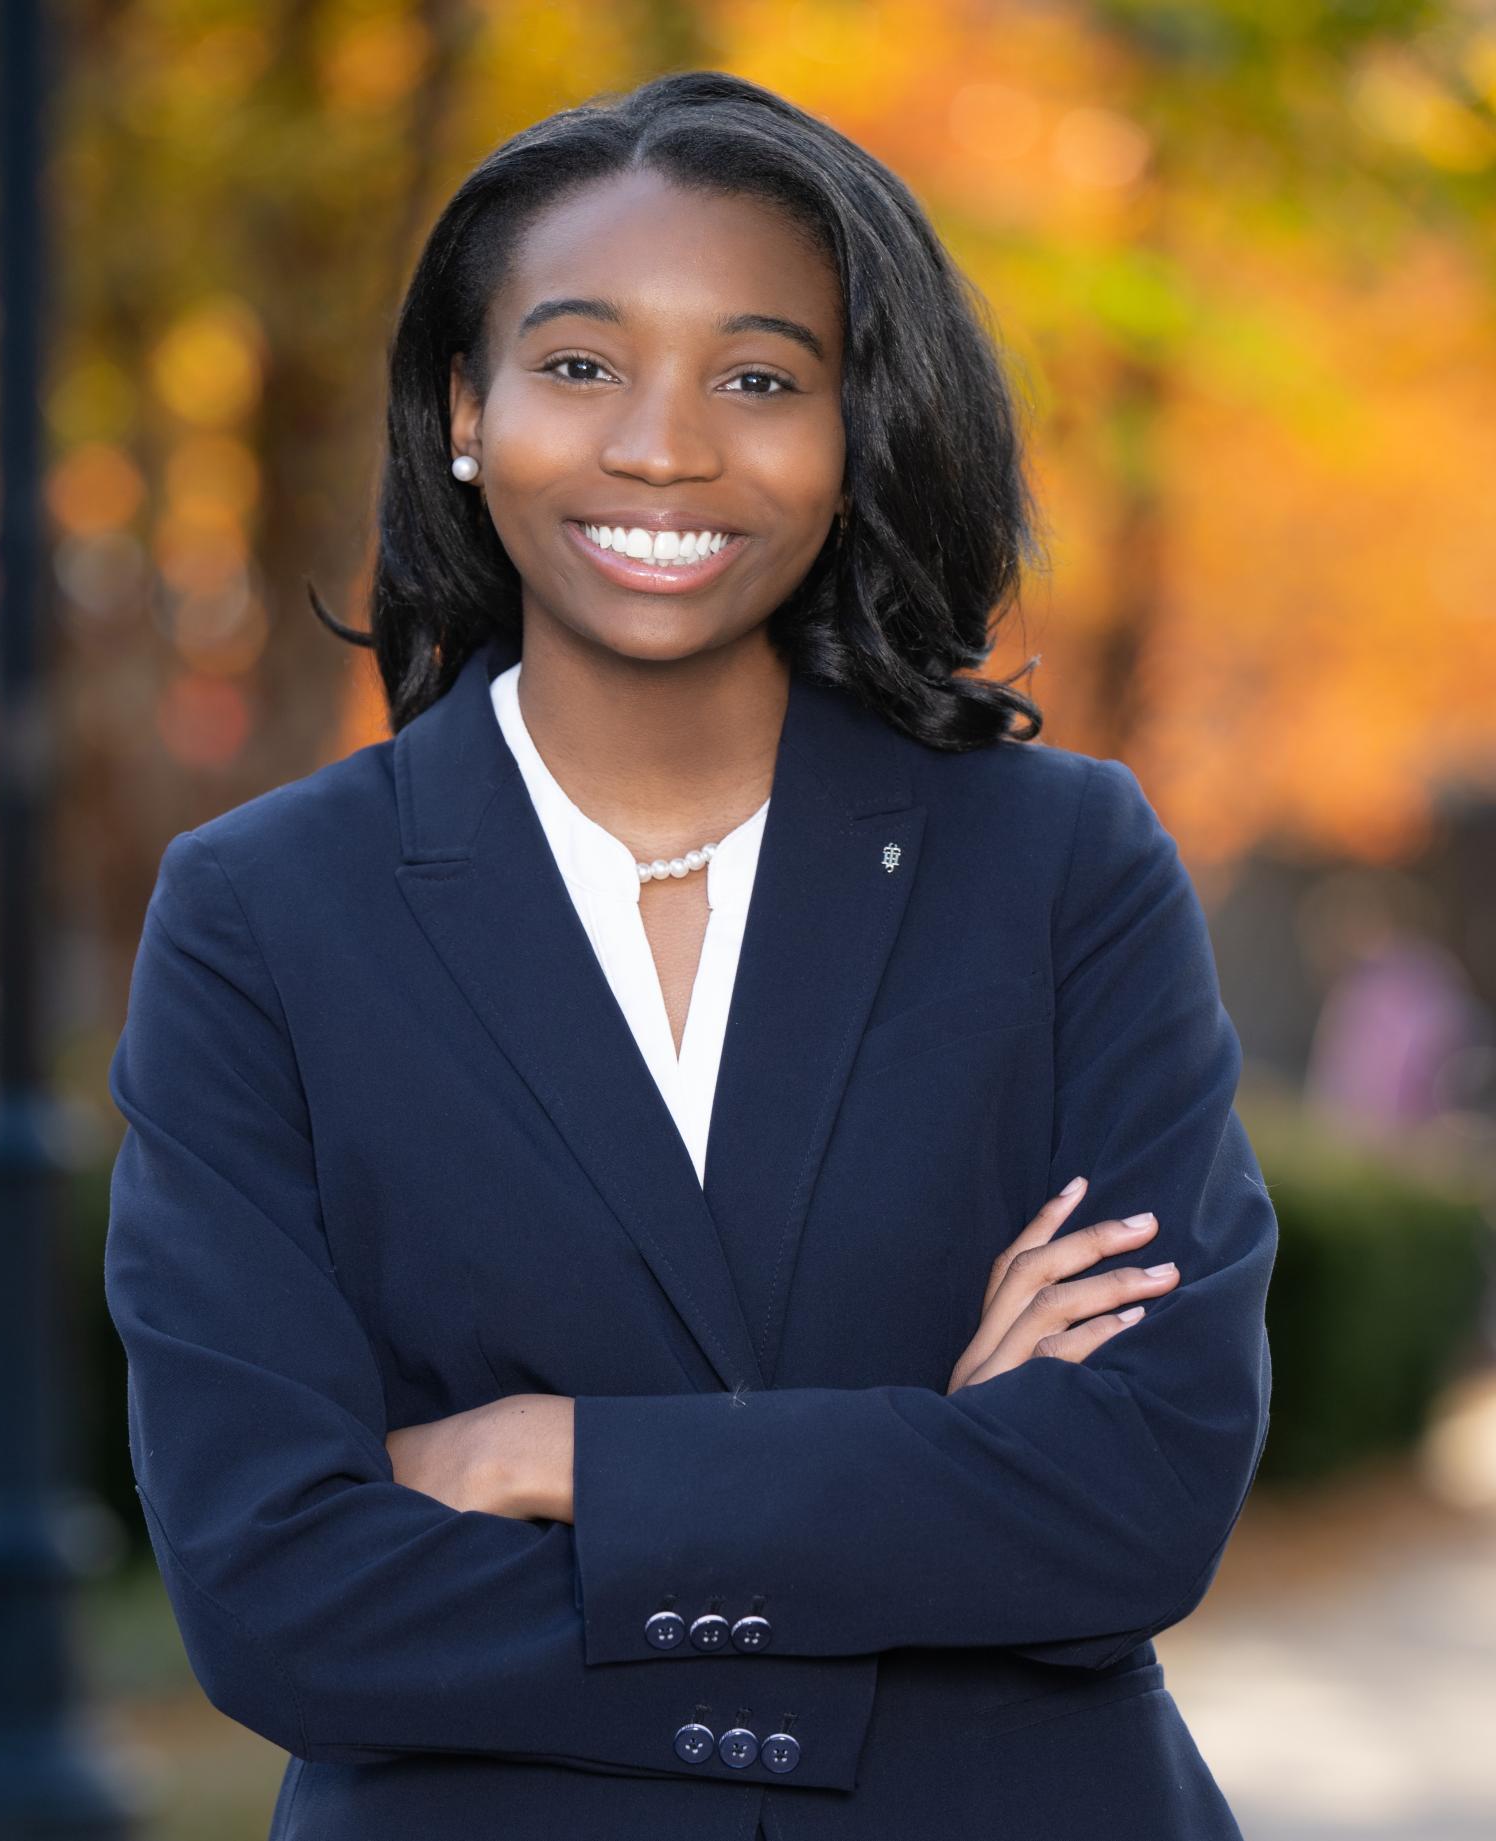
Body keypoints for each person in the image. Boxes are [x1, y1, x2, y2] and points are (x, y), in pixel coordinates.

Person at [104, 69, 1275, 1841]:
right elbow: (275, 1595)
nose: (666, 445)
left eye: (760, 377)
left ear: (854, 432)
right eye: (579, 364)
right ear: (465, 412)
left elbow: (1138, 1495)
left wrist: (552, 1455)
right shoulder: (263, 912)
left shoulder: (1057, 861)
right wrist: (928, 1499)